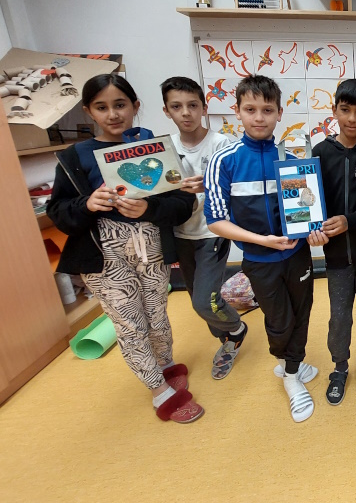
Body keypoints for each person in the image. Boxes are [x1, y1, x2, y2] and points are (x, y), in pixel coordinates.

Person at [47, 74, 200, 423]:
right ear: (88, 111)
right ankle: (158, 391)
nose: (113, 114)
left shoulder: (155, 148)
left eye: (120, 105)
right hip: (104, 253)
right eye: (101, 107)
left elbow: (183, 204)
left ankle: (164, 365)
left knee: (157, 314)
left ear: (135, 106)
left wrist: (149, 208)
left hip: (152, 245)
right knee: (130, 322)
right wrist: (87, 204)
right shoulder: (75, 157)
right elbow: (58, 212)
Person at [204, 75, 317, 423]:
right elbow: (215, 220)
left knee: (302, 312)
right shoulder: (225, 160)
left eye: (267, 110)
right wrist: (262, 241)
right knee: (279, 321)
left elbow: (307, 207)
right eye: (250, 109)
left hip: (298, 254)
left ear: (279, 113)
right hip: (259, 259)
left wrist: (314, 230)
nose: (259, 117)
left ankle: (292, 365)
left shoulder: (292, 157)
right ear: (237, 111)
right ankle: (290, 374)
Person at [307, 78, 356, 406]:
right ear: (334, 110)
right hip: (336, 256)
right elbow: (309, 203)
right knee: (339, 317)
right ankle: (339, 367)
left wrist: (350, 221)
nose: (352, 118)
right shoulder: (320, 153)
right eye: (345, 110)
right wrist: (311, 228)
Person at [161, 76, 243, 380]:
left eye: (193, 105)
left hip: (213, 233)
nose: (186, 113)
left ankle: (236, 329)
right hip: (180, 233)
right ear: (166, 111)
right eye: (176, 107)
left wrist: (208, 187)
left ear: (204, 108)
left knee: (203, 301)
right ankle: (226, 338)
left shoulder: (223, 144)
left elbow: (239, 189)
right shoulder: (164, 148)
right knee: (200, 297)